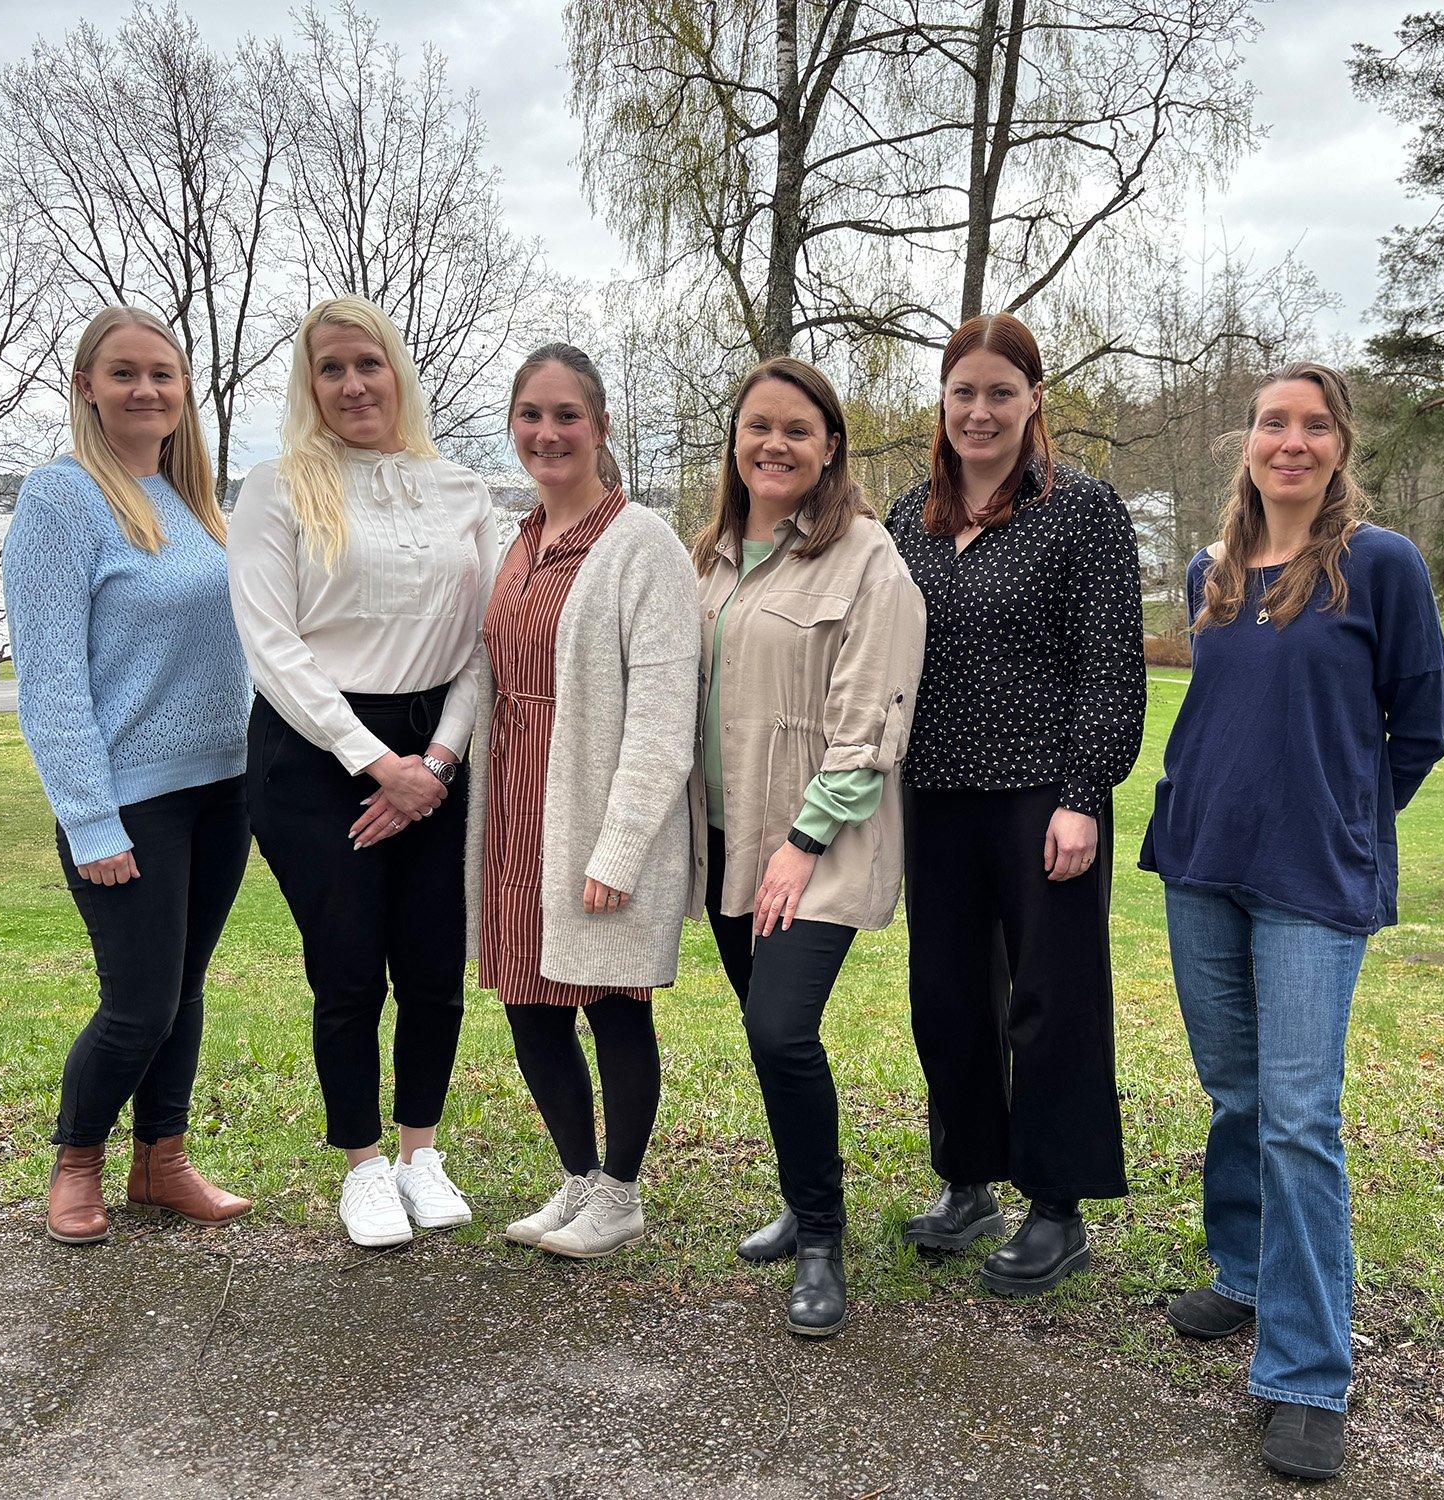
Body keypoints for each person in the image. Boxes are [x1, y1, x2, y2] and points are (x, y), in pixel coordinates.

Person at [1138, 362, 1444, 1482]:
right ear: (1246, 440)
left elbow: (1418, 726)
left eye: (1313, 425)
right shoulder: (1207, 571)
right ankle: (1243, 1272)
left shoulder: (1381, 566)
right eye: (1273, 422)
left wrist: (1344, 816)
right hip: (1198, 861)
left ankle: (1308, 1373)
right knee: (1235, 1093)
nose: (1291, 441)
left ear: (1338, 445)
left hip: (1312, 879)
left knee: (1297, 1118)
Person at [227, 296, 498, 1249]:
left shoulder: (462, 490)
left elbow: (482, 644)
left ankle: (421, 1149)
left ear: (398, 373)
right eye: (331, 369)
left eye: (368, 364)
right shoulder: (275, 487)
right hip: (314, 753)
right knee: (348, 973)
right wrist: (375, 762)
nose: (352, 385)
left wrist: (436, 760)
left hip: (438, 746)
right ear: (309, 385)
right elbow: (270, 644)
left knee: (432, 968)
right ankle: (363, 1164)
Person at [885, 312, 1145, 1298]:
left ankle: (1054, 1206)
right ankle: (966, 1183)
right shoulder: (909, 516)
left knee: (1050, 1004)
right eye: (963, 393)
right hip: (935, 796)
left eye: (1000, 392)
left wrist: (1083, 794)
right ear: (941, 402)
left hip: (1045, 795)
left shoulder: (1079, 511)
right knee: (946, 998)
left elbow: (1110, 667)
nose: (980, 411)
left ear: (1034, 400)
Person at [4, 306, 254, 1246]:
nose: (146, 389)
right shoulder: (59, 500)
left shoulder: (197, 505)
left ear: (185, 392)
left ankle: (163, 1161)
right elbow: (52, 677)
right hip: (129, 802)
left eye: (163, 374)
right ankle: (78, 1162)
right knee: (138, 1002)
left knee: (184, 989)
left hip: (221, 794)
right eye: (124, 373)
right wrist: (90, 820)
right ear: (86, 388)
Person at [693, 357, 926, 1337]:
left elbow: (872, 718)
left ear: (829, 446)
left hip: (811, 841)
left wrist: (801, 841)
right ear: (736, 440)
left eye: (796, 429)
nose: (773, 445)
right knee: (767, 1034)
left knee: (780, 1028)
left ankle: (824, 1241)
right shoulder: (706, 554)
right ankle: (800, 1197)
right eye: (758, 427)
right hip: (723, 835)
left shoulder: (866, 559)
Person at [467, 343, 700, 1260]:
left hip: (592, 808)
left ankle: (623, 1191)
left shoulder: (640, 543)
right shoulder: (514, 541)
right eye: (532, 415)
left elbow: (661, 713)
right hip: (516, 806)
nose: (548, 433)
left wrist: (621, 847)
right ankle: (576, 1178)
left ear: (601, 429)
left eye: (568, 416)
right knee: (531, 1006)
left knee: (610, 1003)